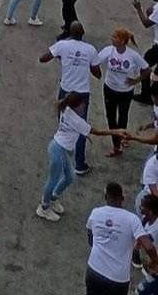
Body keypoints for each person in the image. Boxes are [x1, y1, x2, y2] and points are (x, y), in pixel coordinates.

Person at [36, 92, 120, 221]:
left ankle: (53, 198)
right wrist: (116, 131)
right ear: (76, 106)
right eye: (82, 105)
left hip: (59, 148)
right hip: (59, 150)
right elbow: (98, 132)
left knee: (70, 177)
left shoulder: (66, 110)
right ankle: (44, 207)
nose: (84, 107)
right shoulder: (76, 120)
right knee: (53, 179)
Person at [40, 22, 101, 175]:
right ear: (83, 33)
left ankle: (62, 152)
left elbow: (43, 58)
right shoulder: (90, 49)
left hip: (66, 90)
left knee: (64, 123)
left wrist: (61, 56)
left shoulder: (62, 45)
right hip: (82, 93)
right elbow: (97, 73)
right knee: (81, 127)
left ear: (70, 33)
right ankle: (79, 164)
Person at [97, 29, 146, 158]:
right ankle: (116, 145)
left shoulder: (132, 55)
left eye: (115, 37)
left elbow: (146, 69)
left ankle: (122, 137)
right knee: (111, 117)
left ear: (122, 41)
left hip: (125, 92)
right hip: (110, 89)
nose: (112, 38)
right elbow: (95, 61)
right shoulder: (109, 50)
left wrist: (136, 80)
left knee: (123, 116)